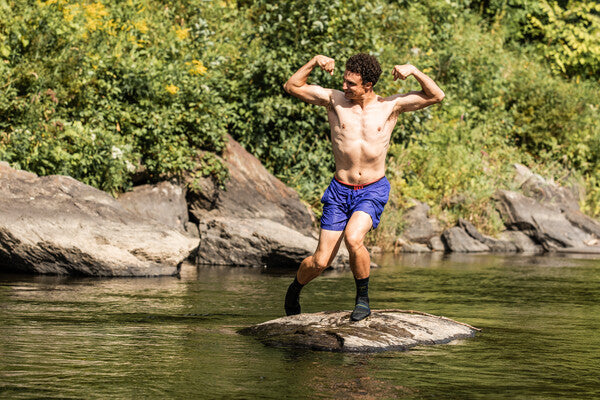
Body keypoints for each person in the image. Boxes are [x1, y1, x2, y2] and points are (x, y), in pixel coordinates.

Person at [282, 53, 445, 321]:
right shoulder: (334, 100)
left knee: (354, 237)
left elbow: (436, 95)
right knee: (321, 262)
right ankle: (295, 289)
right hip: (339, 190)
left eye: (351, 84)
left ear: (368, 85)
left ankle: (362, 300)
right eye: (344, 81)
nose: (344, 87)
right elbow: (292, 87)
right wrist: (313, 61)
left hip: (371, 189)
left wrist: (413, 69)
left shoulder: (390, 106)